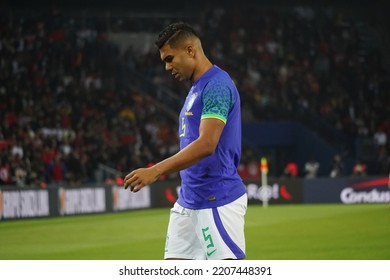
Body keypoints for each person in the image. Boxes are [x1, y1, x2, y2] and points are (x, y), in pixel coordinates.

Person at [123, 22, 247, 260]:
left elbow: (207, 143)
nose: (167, 67)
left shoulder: (217, 85)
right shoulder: (197, 88)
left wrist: (155, 170)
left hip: (216, 199)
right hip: (188, 201)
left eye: (170, 59)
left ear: (190, 50)